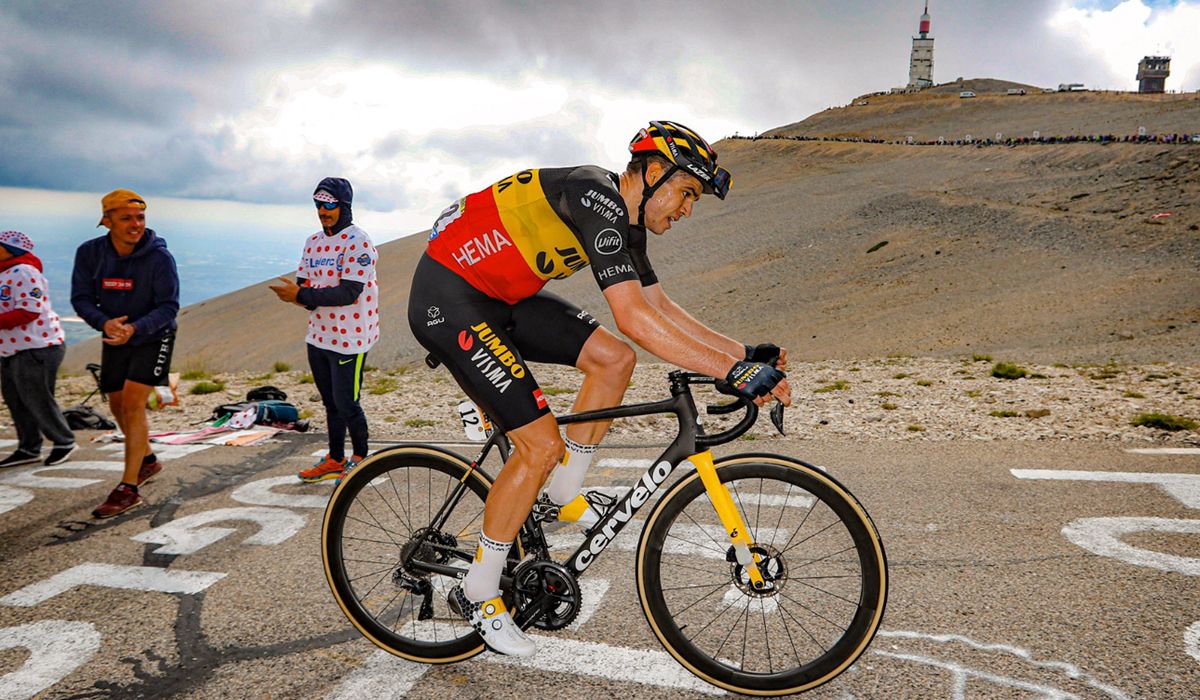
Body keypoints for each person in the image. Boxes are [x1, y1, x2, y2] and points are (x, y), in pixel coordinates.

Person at [407, 121, 791, 656]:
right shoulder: (594, 194)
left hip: (502, 299)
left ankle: (564, 493)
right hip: (449, 300)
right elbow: (633, 317)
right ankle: (480, 591)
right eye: (686, 192)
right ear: (653, 173)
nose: (686, 210)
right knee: (540, 446)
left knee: (614, 359)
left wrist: (740, 354)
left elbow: (657, 306)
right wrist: (732, 372)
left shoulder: (625, 219)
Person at [71, 190, 179, 518]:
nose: (135, 225)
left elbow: (169, 307)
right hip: (115, 335)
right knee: (116, 404)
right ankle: (147, 460)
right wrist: (105, 323)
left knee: (133, 405)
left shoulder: (160, 258)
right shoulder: (90, 253)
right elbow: (81, 298)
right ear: (106, 221)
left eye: (140, 218)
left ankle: (128, 488)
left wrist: (134, 328)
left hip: (154, 335)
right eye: (126, 218)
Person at [270, 178, 379, 483]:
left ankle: (361, 458)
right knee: (331, 403)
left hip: (351, 338)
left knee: (347, 403)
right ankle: (335, 458)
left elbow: (349, 293)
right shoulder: (313, 242)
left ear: (344, 206)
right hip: (318, 335)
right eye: (318, 204)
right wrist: (296, 294)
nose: (322, 210)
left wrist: (301, 295)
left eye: (329, 204)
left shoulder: (359, 242)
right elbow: (304, 287)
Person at [0, 230, 75, 467]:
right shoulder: (4, 271)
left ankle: (64, 441)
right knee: (15, 399)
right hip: (11, 348)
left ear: (10, 250)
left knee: (37, 398)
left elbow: (29, 311)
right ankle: (29, 447)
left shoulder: (25, 271)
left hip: (36, 346)